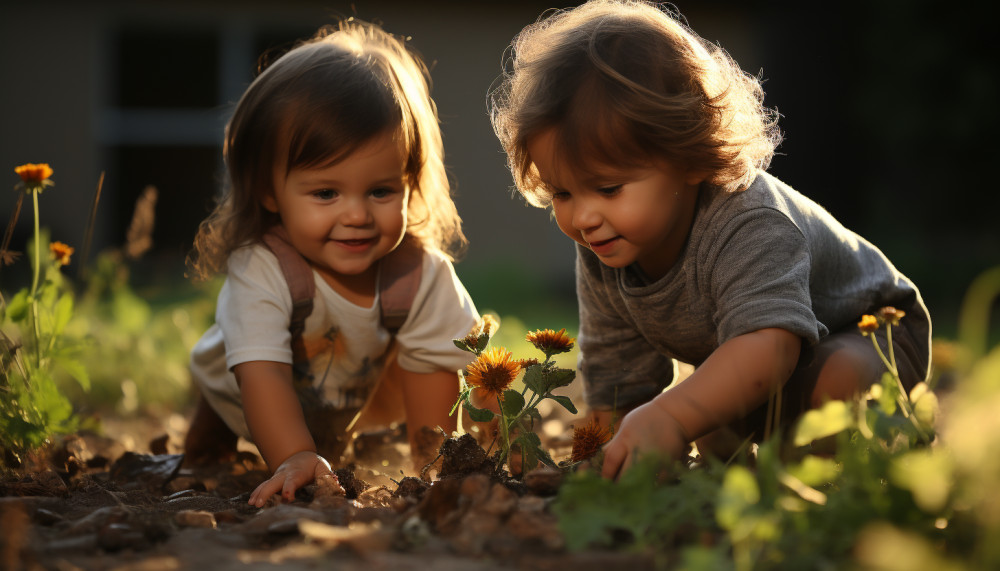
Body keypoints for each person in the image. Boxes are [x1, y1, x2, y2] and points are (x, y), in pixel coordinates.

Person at [489, 0, 931, 480]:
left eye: (609, 188)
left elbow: (770, 345)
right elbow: (619, 378)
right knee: (711, 425)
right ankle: (734, 490)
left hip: (872, 331)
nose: (583, 217)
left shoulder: (748, 222)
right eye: (562, 192)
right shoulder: (607, 242)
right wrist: (602, 462)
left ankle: (826, 490)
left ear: (692, 157)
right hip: (756, 355)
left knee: (831, 383)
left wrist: (672, 415)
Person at [184, 19, 480, 507]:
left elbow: (433, 373)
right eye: (326, 192)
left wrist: (434, 470)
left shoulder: (418, 277)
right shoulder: (264, 267)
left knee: (340, 443)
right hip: (241, 386)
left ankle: (317, 443)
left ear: (409, 181)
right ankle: (209, 441)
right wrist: (294, 455)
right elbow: (262, 373)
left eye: (381, 191)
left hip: (342, 396)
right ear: (267, 191)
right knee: (211, 449)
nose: (358, 215)